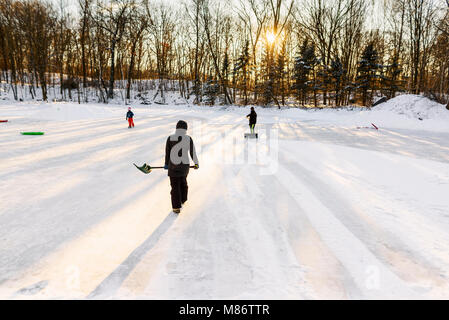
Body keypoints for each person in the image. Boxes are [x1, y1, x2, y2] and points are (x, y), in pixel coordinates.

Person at [164, 120, 199, 214]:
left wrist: (166, 164)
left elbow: (167, 152)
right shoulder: (188, 138)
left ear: (177, 128)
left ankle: (176, 207)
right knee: (183, 182)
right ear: (185, 129)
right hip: (184, 166)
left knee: (175, 186)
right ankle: (183, 199)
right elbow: (192, 152)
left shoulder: (170, 138)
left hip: (173, 167)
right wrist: (196, 163)